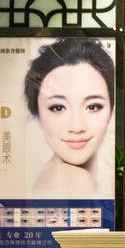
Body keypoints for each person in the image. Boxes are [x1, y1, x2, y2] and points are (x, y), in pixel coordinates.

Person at [23, 38, 114, 194]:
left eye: (93, 106)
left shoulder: (46, 180)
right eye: (58, 107)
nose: (77, 127)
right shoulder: (75, 182)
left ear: (111, 109)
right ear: (37, 114)